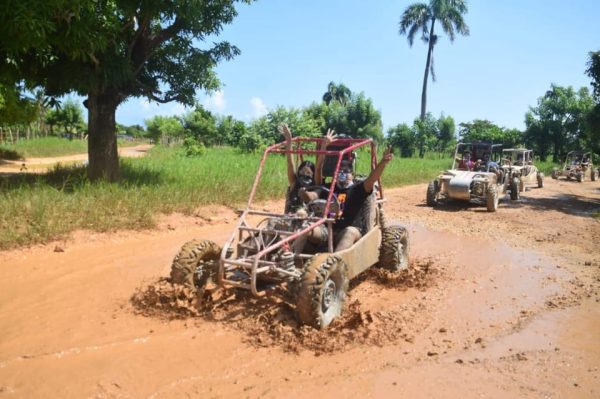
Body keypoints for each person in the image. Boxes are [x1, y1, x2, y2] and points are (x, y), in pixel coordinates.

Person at [300, 146, 393, 251]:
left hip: (348, 230)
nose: (342, 174)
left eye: (345, 171)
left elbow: (372, 178)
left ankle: (335, 262)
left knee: (350, 232)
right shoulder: (328, 188)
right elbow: (313, 196)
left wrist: (383, 162)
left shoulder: (358, 189)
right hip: (326, 230)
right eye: (339, 172)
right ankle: (294, 259)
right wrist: (304, 193)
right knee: (306, 227)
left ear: (352, 175)